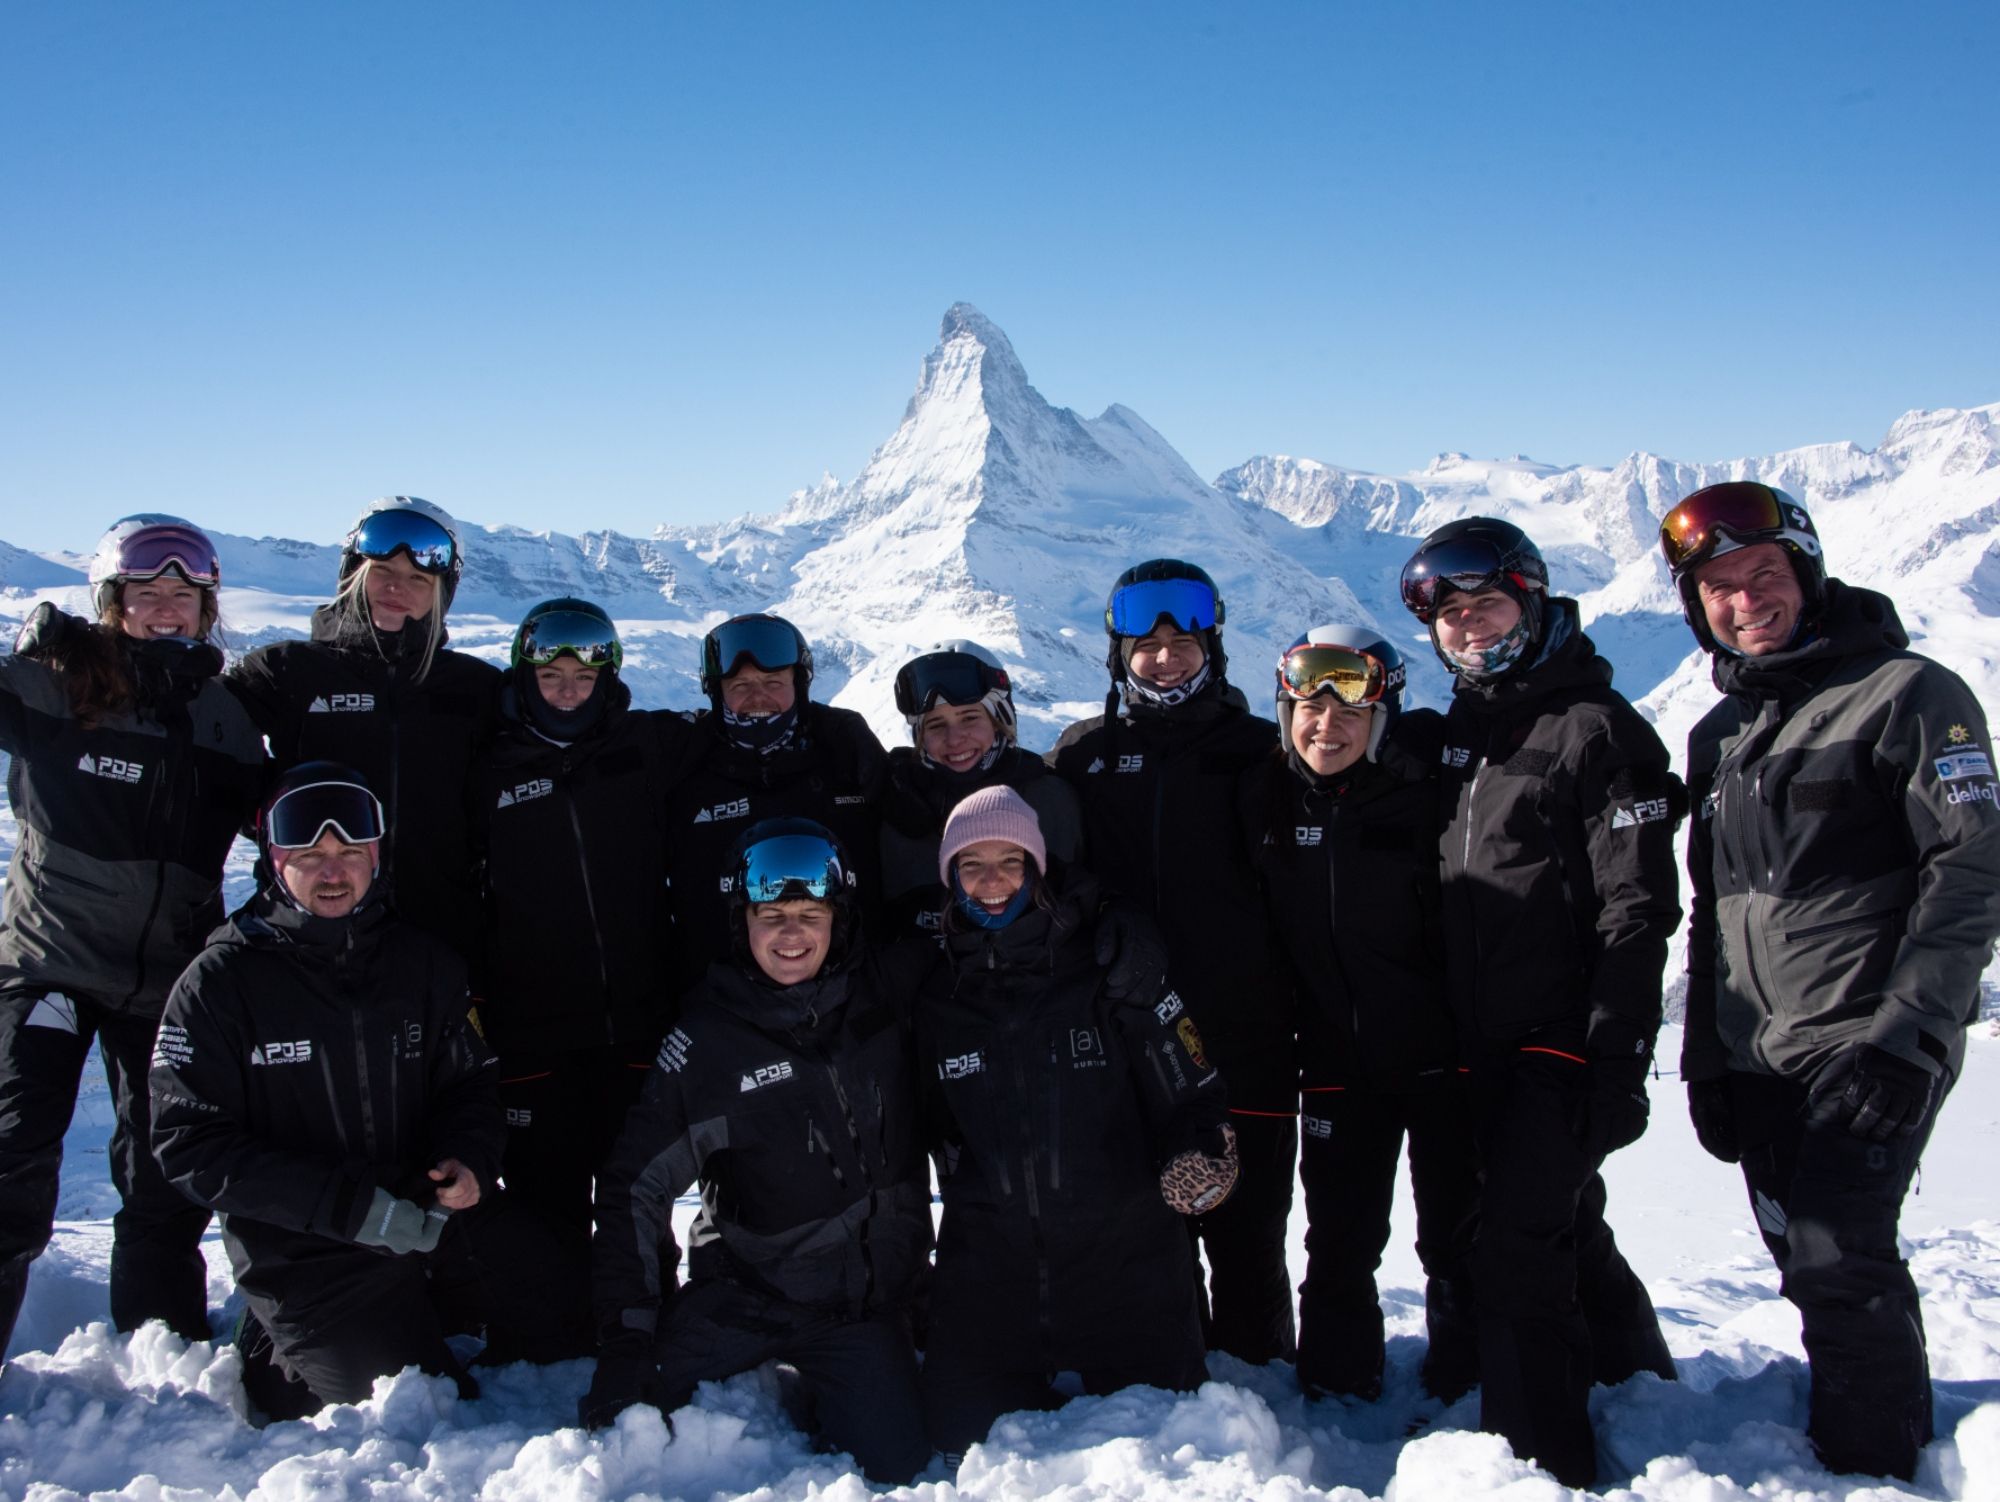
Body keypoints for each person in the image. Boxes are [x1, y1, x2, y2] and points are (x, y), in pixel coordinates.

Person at [1660, 481, 2000, 1480]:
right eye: (1716, 586)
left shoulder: (1908, 694)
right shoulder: (1718, 732)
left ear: (1804, 573)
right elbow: (1714, 914)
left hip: (1868, 1038)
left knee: (1834, 1252)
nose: (1742, 600)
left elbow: (1971, 867)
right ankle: (1868, 1426)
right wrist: (1704, 1057)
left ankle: (1875, 1463)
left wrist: (1908, 1034)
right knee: (1801, 1257)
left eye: (1761, 575)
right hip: (1758, 1050)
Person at [149, 763, 587, 1414]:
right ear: (275, 859)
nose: (334, 872)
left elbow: (470, 1082)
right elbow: (189, 1145)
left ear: (375, 856)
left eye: (351, 853)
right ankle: (275, 1341)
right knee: (430, 1405)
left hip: (428, 1220)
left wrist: (469, 1159)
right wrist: (346, 1207)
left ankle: (417, 1310)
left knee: (579, 1317)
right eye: (311, 856)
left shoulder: (422, 963)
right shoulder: (221, 984)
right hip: (311, 1255)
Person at [1399, 517, 1681, 1486]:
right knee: (1556, 1221)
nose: (1469, 626)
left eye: (1487, 604)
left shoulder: (1594, 730)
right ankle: (1640, 1379)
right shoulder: (1464, 734)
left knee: (1522, 1245)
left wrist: (1613, 1056)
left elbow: (1636, 907)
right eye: (1450, 614)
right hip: (1473, 1041)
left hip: (1557, 1040)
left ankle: (1539, 1455)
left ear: (1532, 597)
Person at [583, 818, 932, 1485]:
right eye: (770, 915)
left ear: (840, 917)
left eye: (810, 913)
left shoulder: (883, 996)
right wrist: (626, 1338)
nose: (792, 934)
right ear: (740, 922)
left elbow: (988, 912)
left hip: (858, 1314)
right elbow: (635, 1184)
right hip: (743, 1297)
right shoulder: (708, 1039)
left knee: (903, 1469)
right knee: (623, 1434)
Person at [0, 515, 265, 1356]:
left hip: (166, 977)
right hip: (51, 964)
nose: (165, 608)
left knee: (163, 1170)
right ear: (111, 603)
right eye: (146, 593)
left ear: (206, 608)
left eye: (182, 595)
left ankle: (162, 1342)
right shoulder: (61, 682)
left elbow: (277, 818)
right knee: (14, 1153)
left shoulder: (223, 717)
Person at [916, 785, 1238, 1458]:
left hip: (1129, 1276)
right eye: (971, 866)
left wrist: (1203, 1152)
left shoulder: (1110, 964)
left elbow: (1196, 1092)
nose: (993, 882)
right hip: (992, 1285)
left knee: (1172, 1459)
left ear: (1039, 867)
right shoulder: (934, 993)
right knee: (952, 1453)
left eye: (1011, 861)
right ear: (949, 879)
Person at [1048, 559, 1299, 1366]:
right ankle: (1180, 1382)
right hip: (1126, 1043)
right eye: (1144, 645)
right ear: (1117, 654)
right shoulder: (1083, 755)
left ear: (1211, 646)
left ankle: (1267, 1394)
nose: (1163, 658)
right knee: (1151, 1232)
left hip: (1245, 1038)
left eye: (1181, 642)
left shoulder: (1260, 751)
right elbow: (1052, 873)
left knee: (1247, 1235)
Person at [1245, 625, 1479, 1403]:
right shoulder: (1271, 797)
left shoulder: (1427, 791)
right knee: (1340, 1240)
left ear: (1383, 718)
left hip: (1441, 1059)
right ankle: (1336, 1391)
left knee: (1455, 1238)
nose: (1326, 725)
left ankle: (1466, 1383)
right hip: (1338, 1063)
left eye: (1349, 711)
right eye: (1306, 708)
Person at [469, 598, 688, 1264]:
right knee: (544, 1197)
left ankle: (643, 1319)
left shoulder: (647, 747)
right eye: (552, 676)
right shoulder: (486, 769)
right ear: (524, 674)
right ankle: (549, 1336)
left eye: (584, 677)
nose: (568, 691)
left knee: (636, 1194)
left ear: (608, 677)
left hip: (635, 1021)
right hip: (533, 1033)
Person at [228, 496, 498, 957]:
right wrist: (272, 820)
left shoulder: (475, 689)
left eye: (418, 578)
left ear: (441, 594)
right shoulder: (287, 672)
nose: (398, 587)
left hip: (439, 934)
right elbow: (195, 739)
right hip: (312, 933)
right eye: (382, 571)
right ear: (353, 573)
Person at [660, 613, 885, 994]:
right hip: (720, 1005)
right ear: (717, 692)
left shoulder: (846, 762)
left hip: (848, 1000)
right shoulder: (682, 771)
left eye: (773, 682)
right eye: (741, 684)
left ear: (799, 687)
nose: (757, 697)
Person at [878, 639, 1082, 943]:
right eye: (935, 725)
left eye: (970, 718)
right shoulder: (896, 808)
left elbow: (1086, 891)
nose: (954, 738)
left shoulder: (1050, 801)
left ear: (1000, 721)